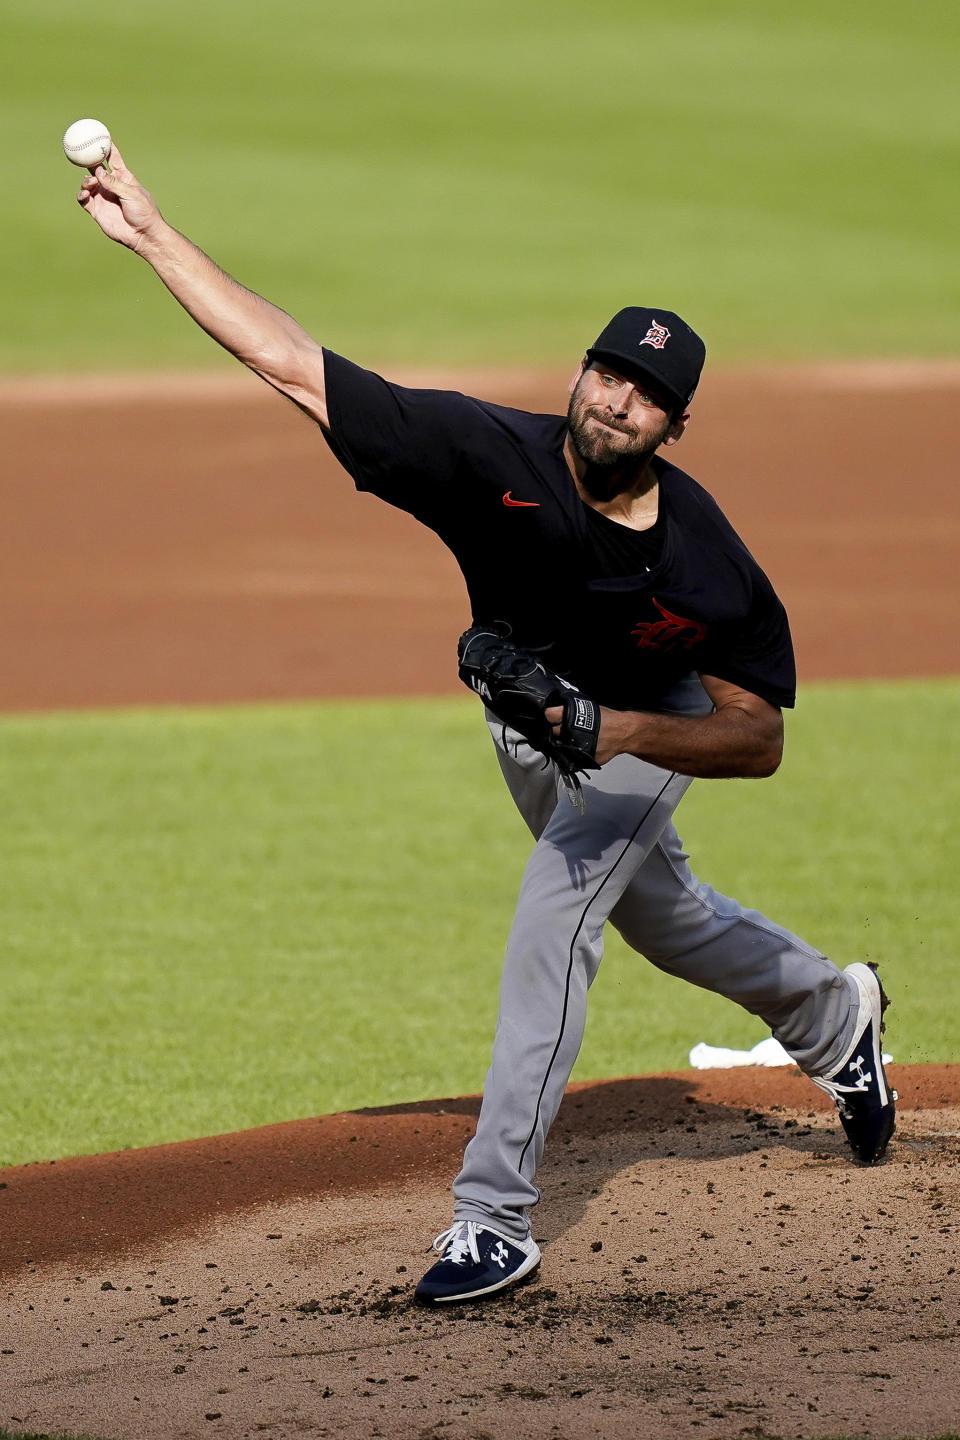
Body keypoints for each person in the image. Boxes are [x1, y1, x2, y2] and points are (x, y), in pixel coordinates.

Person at [75, 145, 896, 1307]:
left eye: (648, 393)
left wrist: (613, 730)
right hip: (532, 728)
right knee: (669, 918)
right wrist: (152, 233)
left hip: (641, 728)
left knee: (556, 921)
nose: (619, 398)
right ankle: (835, 1010)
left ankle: (494, 1216)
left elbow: (757, 735)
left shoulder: (708, 565)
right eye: (609, 373)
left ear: (676, 423)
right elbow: (294, 365)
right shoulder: (484, 454)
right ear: (581, 374)